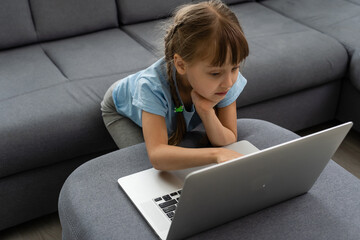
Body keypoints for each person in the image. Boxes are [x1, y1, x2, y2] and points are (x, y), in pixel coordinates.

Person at [101, 0, 249, 171]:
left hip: (168, 107)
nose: (229, 82)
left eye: (235, 67)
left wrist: (206, 112)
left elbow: (229, 138)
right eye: (215, 73)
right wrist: (215, 154)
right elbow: (157, 156)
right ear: (181, 65)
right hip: (120, 109)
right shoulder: (151, 88)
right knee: (148, 172)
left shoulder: (225, 80)